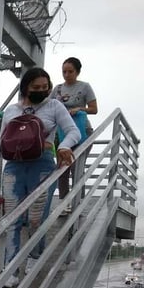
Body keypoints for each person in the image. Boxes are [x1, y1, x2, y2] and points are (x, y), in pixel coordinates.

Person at [0, 67, 81, 288]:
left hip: (42, 166)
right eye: (36, 88)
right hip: (14, 168)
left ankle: (35, 256)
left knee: (37, 219)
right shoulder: (11, 111)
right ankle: (11, 269)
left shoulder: (54, 106)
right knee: (13, 220)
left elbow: (74, 132)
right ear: (25, 88)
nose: (41, 91)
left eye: (45, 88)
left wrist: (63, 146)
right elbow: (1, 142)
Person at [51, 57, 98, 210]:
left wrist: (79, 109)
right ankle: (64, 202)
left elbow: (94, 109)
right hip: (62, 133)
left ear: (77, 72)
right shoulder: (57, 89)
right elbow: (48, 107)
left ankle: (77, 202)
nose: (67, 74)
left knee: (76, 167)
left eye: (70, 71)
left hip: (82, 130)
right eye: (64, 71)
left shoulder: (84, 87)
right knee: (62, 168)